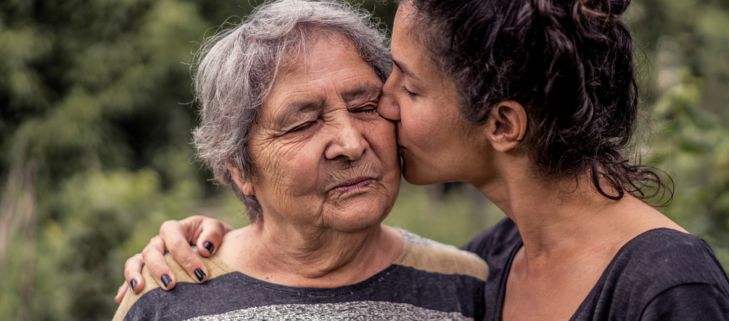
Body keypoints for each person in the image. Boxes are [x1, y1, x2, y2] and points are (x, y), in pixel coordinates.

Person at [119, 0, 729, 320]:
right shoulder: (495, 260)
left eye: (405, 88)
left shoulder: (667, 284)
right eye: (305, 121)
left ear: (502, 124)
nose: (378, 115)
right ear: (237, 166)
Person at [111, 1, 489, 320]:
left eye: (365, 106)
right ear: (239, 168)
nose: (351, 144)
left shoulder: (465, 284)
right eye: (304, 124)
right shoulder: (166, 298)